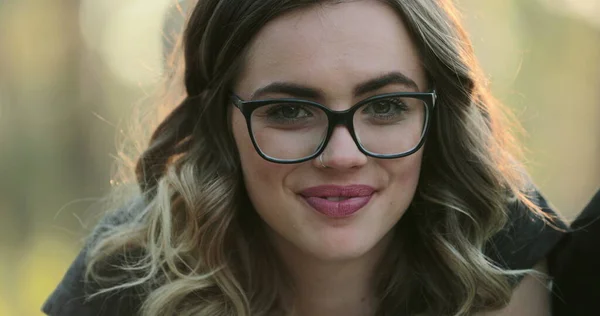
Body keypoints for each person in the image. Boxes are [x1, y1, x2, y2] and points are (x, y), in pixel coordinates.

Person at [42, 0, 569, 315]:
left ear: (439, 117)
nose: (342, 156)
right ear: (222, 124)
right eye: (291, 111)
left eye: (385, 106)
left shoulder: (501, 246)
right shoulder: (124, 280)